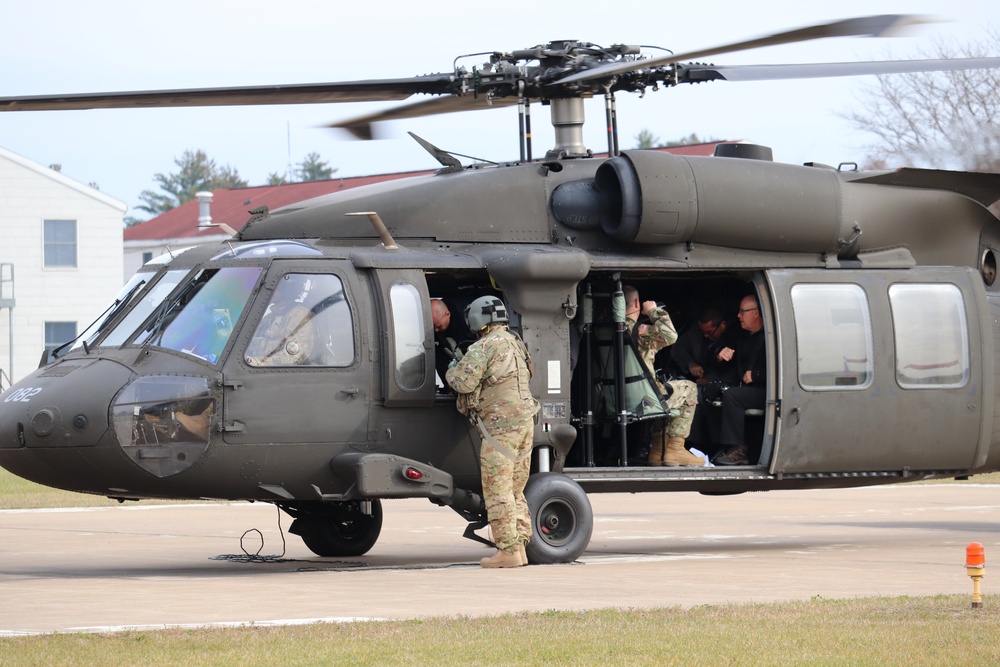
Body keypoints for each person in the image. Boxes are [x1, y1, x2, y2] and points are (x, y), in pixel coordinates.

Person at [446, 295, 539, 568]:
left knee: (497, 491)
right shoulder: (516, 343)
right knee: (515, 490)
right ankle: (519, 547)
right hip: (524, 425)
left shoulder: (483, 347)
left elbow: (462, 383)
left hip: (501, 429)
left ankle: (507, 551)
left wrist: (453, 367)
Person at [622, 285, 702, 467]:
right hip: (643, 398)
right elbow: (670, 336)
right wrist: (654, 312)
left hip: (616, 397)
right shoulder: (638, 331)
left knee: (663, 389)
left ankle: (658, 451)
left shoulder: (608, 330)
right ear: (636, 302)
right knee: (689, 388)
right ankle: (674, 448)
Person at [712, 295, 767, 466]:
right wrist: (720, 355)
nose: (738, 316)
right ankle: (716, 446)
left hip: (768, 390)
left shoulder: (773, 336)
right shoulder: (740, 335)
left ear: (756, 313)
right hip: (745, 388)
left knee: (733, 396)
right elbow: (717, 353)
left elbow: (785, 367)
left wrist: (756, 375)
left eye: (743, 312)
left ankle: (737, 449)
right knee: (712, 392)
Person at [245, 278, 316, 366]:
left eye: (276, 286)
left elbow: (294, 357)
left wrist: (254, 362)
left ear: (286, 289)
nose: (270, 289)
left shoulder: (299, 315)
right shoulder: (270, 317)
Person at [431, 297, 474, 386]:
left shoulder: (467, 318)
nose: (436, 330)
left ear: (448, 314)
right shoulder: (435, 331)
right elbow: (439, 360)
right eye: (433, 327)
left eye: (439, 326)